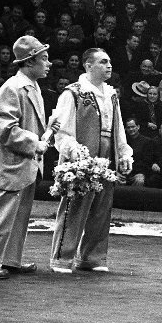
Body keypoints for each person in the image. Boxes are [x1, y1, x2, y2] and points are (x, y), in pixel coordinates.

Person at [0, 36, 55, 279]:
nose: (49, 64)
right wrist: (35, 143)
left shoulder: (32, 87)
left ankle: (8, 258)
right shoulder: (12, 88)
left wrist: (44, 135)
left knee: (16, 216)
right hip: (4, 163)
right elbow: (5, 129)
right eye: (44, 59)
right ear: (29, 62)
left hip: (20, 164)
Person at [49, 48, 133, 273]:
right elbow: (62, 131)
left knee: (102, 207)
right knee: (75, 205)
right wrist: (74, 152)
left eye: (110, 62)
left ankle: (91, 258)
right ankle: (62, 258)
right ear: (88, 65)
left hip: (107, 152)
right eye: (103, 62)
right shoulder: (73, 92)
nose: (109, 66)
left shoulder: (112, 94)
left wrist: (123, 153)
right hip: (83, 154)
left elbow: (119, 128)